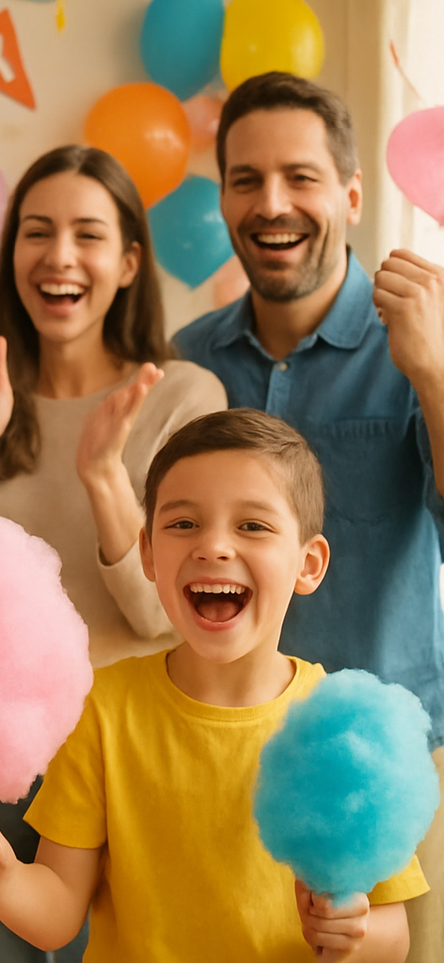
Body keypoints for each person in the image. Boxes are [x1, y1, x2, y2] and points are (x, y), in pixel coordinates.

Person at [0, 408, 428, 961]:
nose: (213, 546)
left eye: (252, 525)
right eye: (183, 524)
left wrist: (354, 934)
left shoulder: (345, 723)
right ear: (147, 553)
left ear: (308, 564)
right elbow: (56, 916)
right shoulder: (102, 709)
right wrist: (2, 880)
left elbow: (394, 937)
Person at [0, 144, 225, 962]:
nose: (59, 255)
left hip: (117, 749)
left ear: (127, 262)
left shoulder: (183, 397)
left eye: (87, 233)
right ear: (12, 257)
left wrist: (103, 475)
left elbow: (167, 608)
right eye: (36, 232)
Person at [171, 72, 444, 961]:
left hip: (390, 757)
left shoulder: (424, 340)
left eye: (299, 176)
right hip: (219, 747)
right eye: (245, 179)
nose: (271, 203)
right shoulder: (186, 361)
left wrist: (433, 375)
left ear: (351, 195)